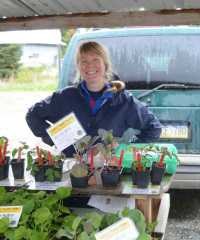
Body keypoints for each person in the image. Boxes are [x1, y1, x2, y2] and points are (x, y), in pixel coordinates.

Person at [26, 41, 162, 157]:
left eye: (96, 60)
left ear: (105, 64)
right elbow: (32, 115)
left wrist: (124, 150)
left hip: (109, 170)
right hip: (73, 169)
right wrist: (56, 139)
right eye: (83, 61)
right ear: (78, 66)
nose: (89, 66)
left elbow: (153, 128)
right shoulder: (64, 97)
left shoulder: (123, 100)